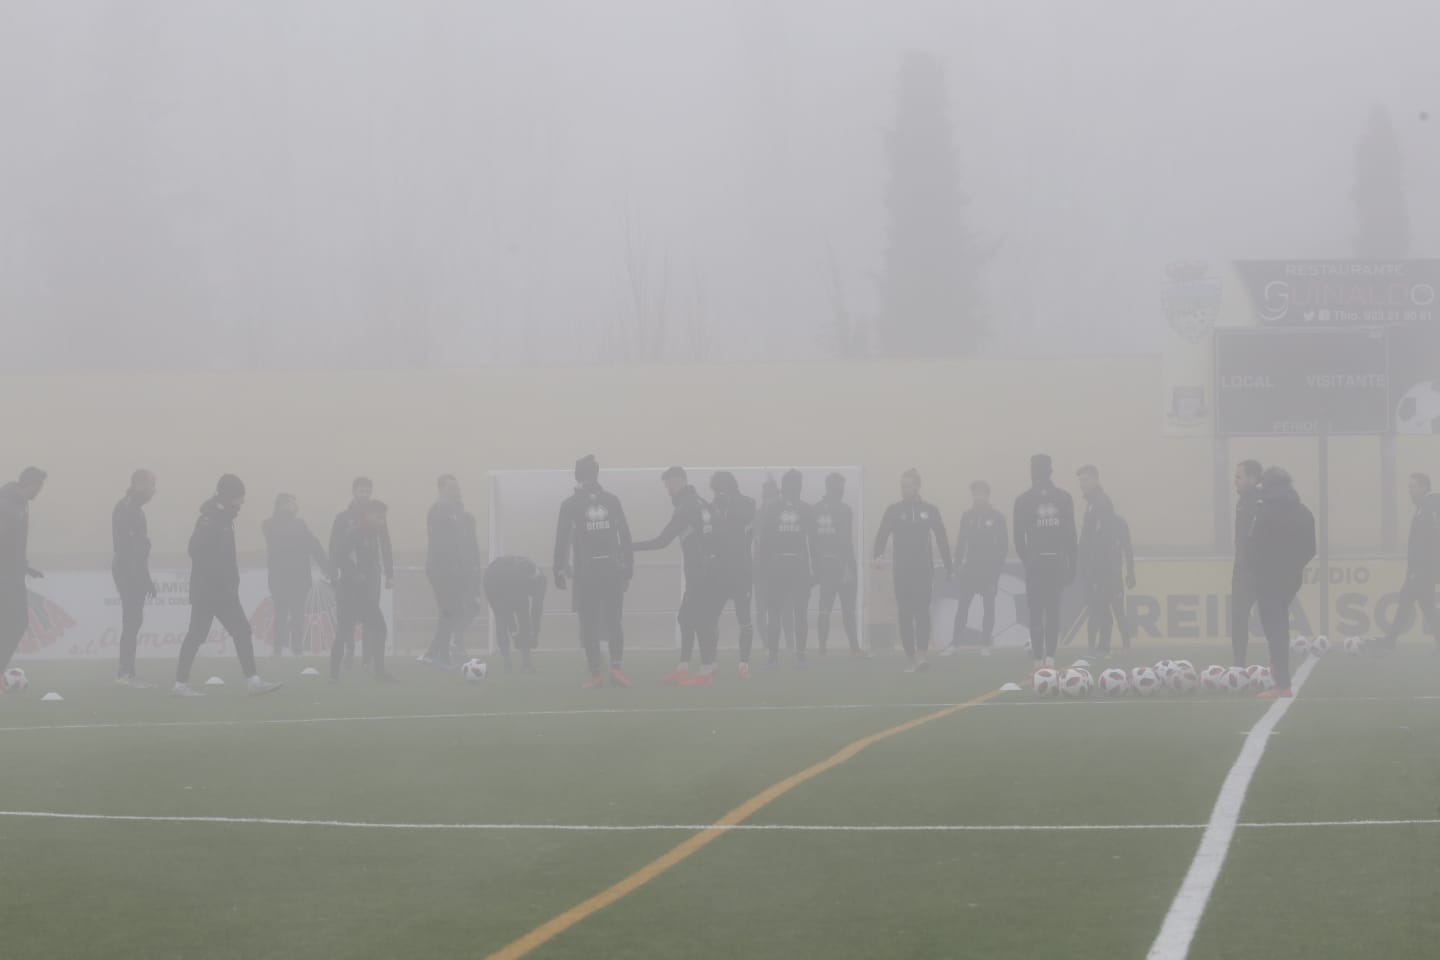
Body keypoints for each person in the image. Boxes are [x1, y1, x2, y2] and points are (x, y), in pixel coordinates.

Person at [172, 475, 283, 697]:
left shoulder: (223, 518)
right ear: (227, 496)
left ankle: (253, 681)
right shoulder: (210, 518)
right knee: (198, 634)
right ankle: (180, 685)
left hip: (223, 590)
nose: (241, 503)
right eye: (239, 498)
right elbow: (194, 550)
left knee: (241, 630)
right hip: (209, 591)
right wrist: (217, 576)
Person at [633, 466, 723, 686]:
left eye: (669, 485)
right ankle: (684, 668)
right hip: (710, 570)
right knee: (687, 618)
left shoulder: (687, 506)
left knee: (701, 620)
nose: (668, 490)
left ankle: (706, 670)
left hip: (700, 572)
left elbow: (662, 541)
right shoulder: (703, 503)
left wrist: (628, 547)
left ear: (679, 481)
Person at [554, 455, 633, 688]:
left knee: (588, 622)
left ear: (577, 476)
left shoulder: (570, 504)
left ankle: (596, 673)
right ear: (596, 474)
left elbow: (561, 540)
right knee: (614, 620)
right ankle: (616, 669)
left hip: (586, 574)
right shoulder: (611, 500)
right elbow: (625, 536)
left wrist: (558, 569)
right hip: (612, 571)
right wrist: (628, 568)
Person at [873, 469, 952, 672]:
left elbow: (942, 538)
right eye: (901, 486)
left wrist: (949, 566)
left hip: (923, 570)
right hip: (902, 571)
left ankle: (922, 656)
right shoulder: (893, 510)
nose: (903, 489)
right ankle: (910, 658)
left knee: (922, 612)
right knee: (905, 614)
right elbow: (882, 534)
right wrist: (878, 556)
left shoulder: (930, 510)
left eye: (906, 485)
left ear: (917, 486)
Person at [1248, 466, 1315, 699]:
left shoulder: (1264, 510)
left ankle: (1282, 683)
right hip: (1291, 578)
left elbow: (1255, 544)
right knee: (1280, 625)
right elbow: (1311, 548)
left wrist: (1258, 570)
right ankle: (1279, 674)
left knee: (1275, 629)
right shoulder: (1303, 511)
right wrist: (1295, 566)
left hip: (1268, 578)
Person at [1013, 454, 1077, 669]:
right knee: (1052, 612)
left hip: (1036, 564)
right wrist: (1071, 564)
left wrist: (1029, 559)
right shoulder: (1064, 497)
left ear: (1033, 472)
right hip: (1056, 562)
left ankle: (1037, 661)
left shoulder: (1023, 499)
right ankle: (1050, 660)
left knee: (1035, 613)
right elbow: (1071, 535)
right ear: (1050, 471)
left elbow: (1018, 538)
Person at [756, 470, 819, 668]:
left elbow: (813, 541)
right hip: (781, 567)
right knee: (779, 612)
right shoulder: (774, 509)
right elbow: (764, 541)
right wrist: (763, 568)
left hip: (795, 567)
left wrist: (814, 569)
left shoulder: (806, 509)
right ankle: (776, 655)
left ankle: (796, 654)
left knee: (797, 612)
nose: (793, 490)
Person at [331, 477, 394, 668]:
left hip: (372, 574)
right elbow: (335, 548)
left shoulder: (378, 517)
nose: (365, 494)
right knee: (347, 619)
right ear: (354, 492)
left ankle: (368, 657)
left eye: (368, 490)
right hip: (351, 576)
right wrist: (335, 571)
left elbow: (386, 545)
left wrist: (389, 573)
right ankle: (349, 651)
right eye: (361, 490)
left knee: (372, 616)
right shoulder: (344, 518)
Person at [421, 475, 482, 668]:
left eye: (458, 488)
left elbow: (466, 543)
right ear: (441, 490)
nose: (457, 491)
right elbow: (442, 544)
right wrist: (454, 565)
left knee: (451, 612)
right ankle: (441, 655)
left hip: (456, 571)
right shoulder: (438, 511)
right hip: (441, 570)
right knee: (451, 611)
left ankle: (433, 654)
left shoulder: (459, 513)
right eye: (452, 488)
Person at [261, 494, 330, 658]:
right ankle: (277, 649)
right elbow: (283, 536)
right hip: (279, 577)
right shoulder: (269, 524)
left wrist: (327, 567)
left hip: (299, 578)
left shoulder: (300, 525)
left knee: (298, 614)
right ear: (282, 505)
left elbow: (314, 545)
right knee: (280, 614)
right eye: (292, 503)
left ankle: (297, 649)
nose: (296, 506)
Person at [946, 480, 1007, 657]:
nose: (978, 496)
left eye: (981, 493)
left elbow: (1003, 546)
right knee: (963, 607)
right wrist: (956, 565)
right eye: (975, 493)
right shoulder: (967, 516)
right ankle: (955, 643)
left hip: (988, 571)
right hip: (970, 569)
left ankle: (986, 644)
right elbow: (961, 542)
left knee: (989, 608)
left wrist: (996, 571)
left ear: (988, 495)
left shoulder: (997, 517)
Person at [1076, 466, 1132, 659]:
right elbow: (1087, 538)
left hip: (1104, 570)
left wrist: (1101, 568)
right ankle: (1097, 648)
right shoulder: (1091, 504)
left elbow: (1104, 540)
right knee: (1097, 607)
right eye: (1080, 480)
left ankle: (1106, 648)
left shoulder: (1102, 503)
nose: (1082, 484)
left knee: (1108, 609)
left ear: (1095, 480)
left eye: (1085, 480)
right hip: (1094, 568)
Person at [1380, 472, 1439, 653]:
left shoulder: (1430, 508)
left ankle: (1389, 641)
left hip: (1422, 571)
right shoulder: (1424, 507)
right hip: (1420, 570)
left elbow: (1430, 542)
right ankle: (1389, 641)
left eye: (1412, 487)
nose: (1410, 491)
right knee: (1423, 606)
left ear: (1423, 487)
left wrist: (1419, 569)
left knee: (1409, 602)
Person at [708, 471, 757, 677]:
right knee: (710, 618)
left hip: (741, 571)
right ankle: (710, 661)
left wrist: (727, 504)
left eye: (719, 489)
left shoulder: (747, 503)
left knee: (743, 618)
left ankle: (743, 663)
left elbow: (746, 524)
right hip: (719, 572)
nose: (717, 493)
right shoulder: (713, 506)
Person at [112, 469, 158, 686]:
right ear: (139, 484)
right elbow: (128, 549)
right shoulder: (126, 508)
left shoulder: (137, 510)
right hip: (127, 570)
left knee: (134, 620)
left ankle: (128, 671)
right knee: (131, 620)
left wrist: (146, 578)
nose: (153, 490)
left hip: (135, 571)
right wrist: (137, 576)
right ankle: (124, 673)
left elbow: (141, 549)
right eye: (151, 485)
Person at [0, 467, 47, 678]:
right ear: (32, 484)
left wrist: (25, 566)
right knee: (16, 621)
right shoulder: (7, 504)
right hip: (5, 575)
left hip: (13, 573)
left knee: (18, 622)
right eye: (40, 486)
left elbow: (14, 544)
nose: (40, 491)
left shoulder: (22, 505)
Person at [814, 472, 862, 657]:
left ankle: (822, 648)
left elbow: (813, 540)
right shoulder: (844, 510)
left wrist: (816, 564)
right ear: (837, 488)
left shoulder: (815, 509)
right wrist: (850, 566)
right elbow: (845, 540)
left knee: (824, 608)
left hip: (824, 565)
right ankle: (854, 648)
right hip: (841, 564)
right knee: (848, 608)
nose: (843, 490)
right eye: (841, 486)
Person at [483, 555, 547, 673]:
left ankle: (526, 663)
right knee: (501, 620)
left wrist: (535, 633)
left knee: (524, 620)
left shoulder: (541, 580)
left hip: (510, 581)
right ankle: (507, 661)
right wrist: (514, 631)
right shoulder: (510, 578)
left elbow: (536, 609)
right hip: (493, 583)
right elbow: (505, 611)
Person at [1230, 460, 1263, 667]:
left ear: (1252, 478)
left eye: (1239, 477)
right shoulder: (1242, 502)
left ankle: (1277, 666)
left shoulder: (1262, 502)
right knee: (1238, 617)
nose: (1235, 482)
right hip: (1242, 570)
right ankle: (1239, 665)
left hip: (1260, 571)